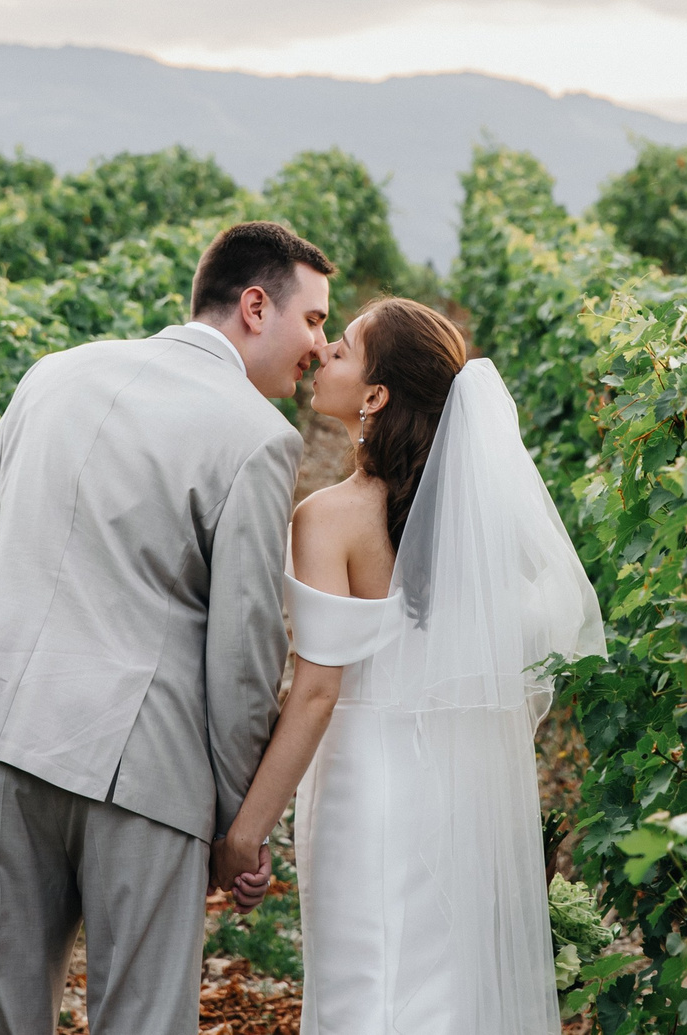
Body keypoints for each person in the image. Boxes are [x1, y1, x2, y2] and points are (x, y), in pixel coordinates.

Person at [0, 220, 333, 1035]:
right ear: (256, 306)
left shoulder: (53, 375)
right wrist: (234, 823)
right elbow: (245, 648)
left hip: (1, 736)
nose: (319, 344)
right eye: (315, 319)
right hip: (145, 772)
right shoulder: (258, 438)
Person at [216, 297, 608, 1035]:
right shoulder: (476, 520)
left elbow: (317, 693)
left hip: (367, 788)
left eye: (346, 346)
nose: (325, 349)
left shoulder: (329, 517)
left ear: (375, 396)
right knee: (443, 987)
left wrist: (246, 831)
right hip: (457, 782)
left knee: (370, 982)